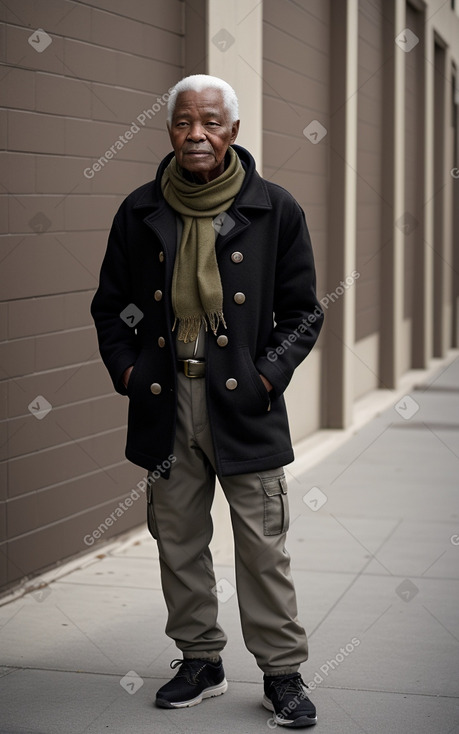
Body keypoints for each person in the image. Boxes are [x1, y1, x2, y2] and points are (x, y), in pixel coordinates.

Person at [91, 74, 324, 728]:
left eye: (211, 122)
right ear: (170, 130)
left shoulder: (273, 208)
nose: (196, 134)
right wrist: (130, 372)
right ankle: (200, 660)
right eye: (184, 122)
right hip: (165, 402)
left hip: (243, 406)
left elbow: (303, 312)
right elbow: (115, 307)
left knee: (262, 546)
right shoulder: (140, 211)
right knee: (178, 539)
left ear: (234, 132)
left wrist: (266, 376)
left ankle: (282, 672)